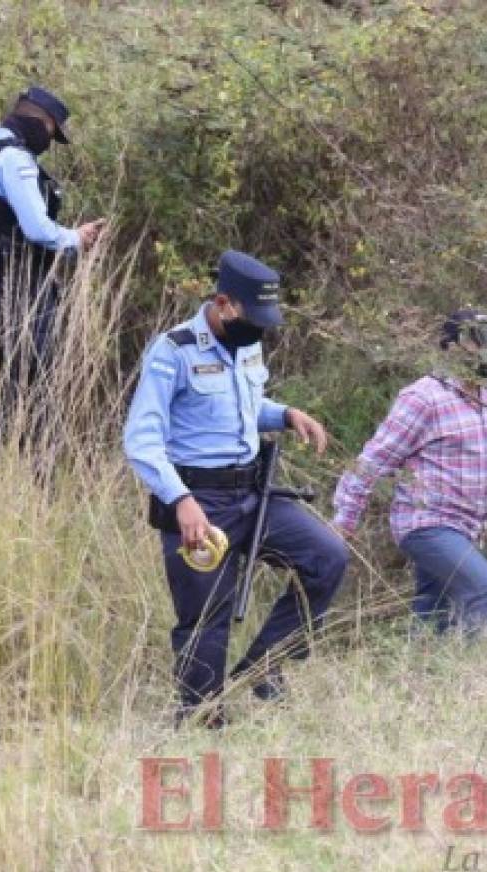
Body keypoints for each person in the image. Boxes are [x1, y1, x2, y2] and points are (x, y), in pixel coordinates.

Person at [124, 250, 349, 727]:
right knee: (207, 616)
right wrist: (180, 500)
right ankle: (203, 718)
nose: (261, 328)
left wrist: (285, 414)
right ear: (223, 303)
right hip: (197, 500)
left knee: (326, 557)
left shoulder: (248, 344)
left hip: (253, 493)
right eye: (253, 316)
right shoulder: (174, 350)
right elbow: (140, 439)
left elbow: (241, 405)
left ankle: (264, 669)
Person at [331, 308, 487, 636]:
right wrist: (344, 521)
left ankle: (422, 681)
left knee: (433, 618)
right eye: (482, 343)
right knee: (485, 593)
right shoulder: (423, 398)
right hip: (427, 524)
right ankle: (478, 682)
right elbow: (373, 460)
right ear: (453, 347)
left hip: (468, 527)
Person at [0, 86, 106, 439]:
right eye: (52, 134)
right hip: (21, 287)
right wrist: (77, 238)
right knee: (37, 384)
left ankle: (3, 466)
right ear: (41, 122)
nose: (49, 142)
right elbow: (38, 229)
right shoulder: (14, 160)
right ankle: (36, 473)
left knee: (16, 381)